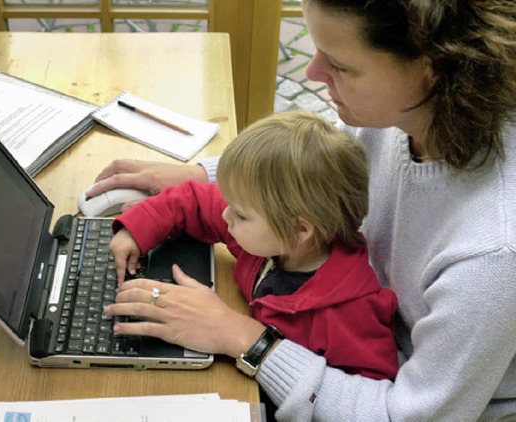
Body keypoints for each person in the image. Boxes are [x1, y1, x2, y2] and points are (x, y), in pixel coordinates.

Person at [100, 0, 516, 419]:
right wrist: (201, 175)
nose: (312, 72)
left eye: (341, 66)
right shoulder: (402, 114)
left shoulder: (492, 254)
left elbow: (401, 415)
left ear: (434, 67)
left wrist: (245, 338)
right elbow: (321, 161)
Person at [110, 111, 399, 386]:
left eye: (240, 213)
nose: (226, 216)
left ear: (299, 230)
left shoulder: (350, 313)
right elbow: (197, 200)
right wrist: (137, 229)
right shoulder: (273, 239)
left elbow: (368, 388)